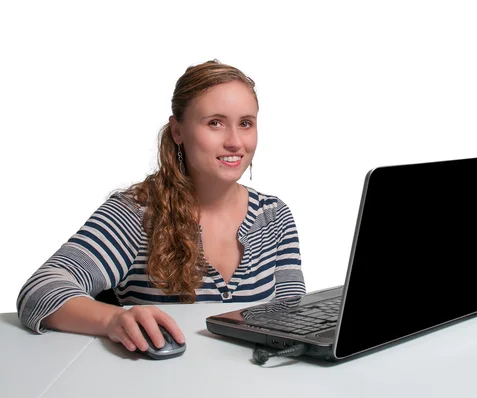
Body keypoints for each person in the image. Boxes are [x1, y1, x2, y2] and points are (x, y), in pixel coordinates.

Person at [16, 59, 306, 354]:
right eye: (215, 123)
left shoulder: (274, 216)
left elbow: (294, 319)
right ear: (178, 131)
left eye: (246, 123)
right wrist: (115, 319)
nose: (234, 142)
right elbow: (39, 291)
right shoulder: (137, 213)